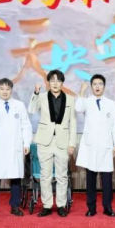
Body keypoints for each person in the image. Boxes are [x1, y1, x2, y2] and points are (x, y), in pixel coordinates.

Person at [28, 69, 77, 218]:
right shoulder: (42, 97)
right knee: (45, 176)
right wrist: (35, 93)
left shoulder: (70, 99)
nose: (55, 83)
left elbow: (73, 122)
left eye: (58, 81)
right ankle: (47, 206)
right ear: (48, 82)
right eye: (52, 81)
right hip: (45, 141)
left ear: (62, 83)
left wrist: (72, 143)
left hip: (63, 141)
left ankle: (61, 205)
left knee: (62, 176)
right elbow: (32, 109)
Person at [0, 78, 32, 217]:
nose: (5, 91)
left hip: (15, 145)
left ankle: (15, 206)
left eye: (7, 89)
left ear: (11, 90)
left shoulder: (19, 105)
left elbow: (26, 125)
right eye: (2, 89)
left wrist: (26, 143)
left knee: (15, 177)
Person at [75, 74, 115, 217]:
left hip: (106, 145)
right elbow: (78, 108)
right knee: (90, 179)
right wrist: (81, 92)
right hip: (91, 146)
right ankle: (91, 207)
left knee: (107, 180)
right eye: (94, 84)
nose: (97, 86)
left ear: (104, 86)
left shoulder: (111, 104)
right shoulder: (86, 101)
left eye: (100, 84)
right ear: (91, 86)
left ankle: (107, 207)